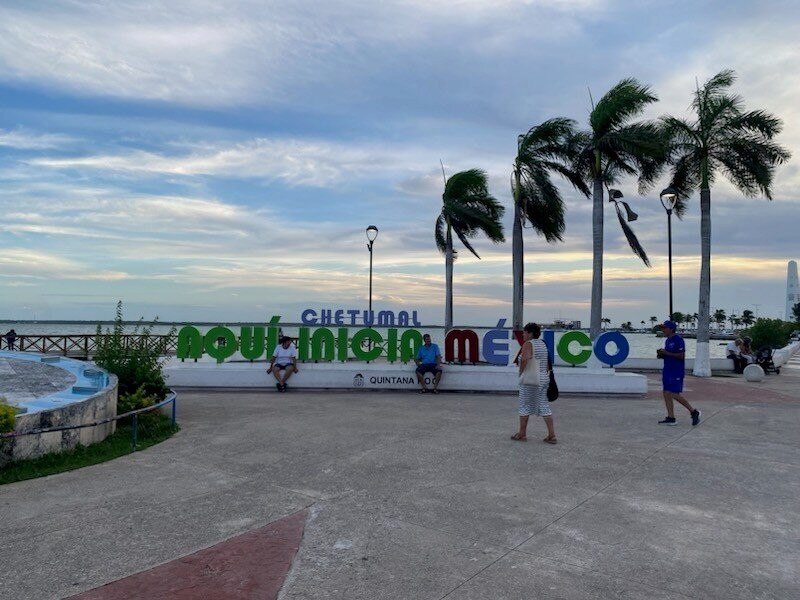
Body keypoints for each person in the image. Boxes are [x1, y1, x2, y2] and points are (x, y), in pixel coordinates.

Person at [512, 322, 556, 444]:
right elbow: (546, 363)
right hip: (543, 378)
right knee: (544, 405)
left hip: (531, 379)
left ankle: (522, 434)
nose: (523, 335)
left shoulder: (528, 344)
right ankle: (552, 435)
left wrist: (521, 373)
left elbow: (524, 359)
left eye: (524, 332)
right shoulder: (542, 344)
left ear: (530, 333)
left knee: (524, 406)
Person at [656, 320, 700, 426]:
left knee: (674, 393)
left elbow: (681, 355)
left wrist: (667, 353)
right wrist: (662, 354)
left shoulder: (678, 340)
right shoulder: (668, 340)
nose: (663, 330)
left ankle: (693, 411)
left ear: (671, 329)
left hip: (676, 371)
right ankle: (671, 417)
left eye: (665, 328)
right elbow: (670, 354)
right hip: (668, 370)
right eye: (662, 328)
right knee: (666, 392)